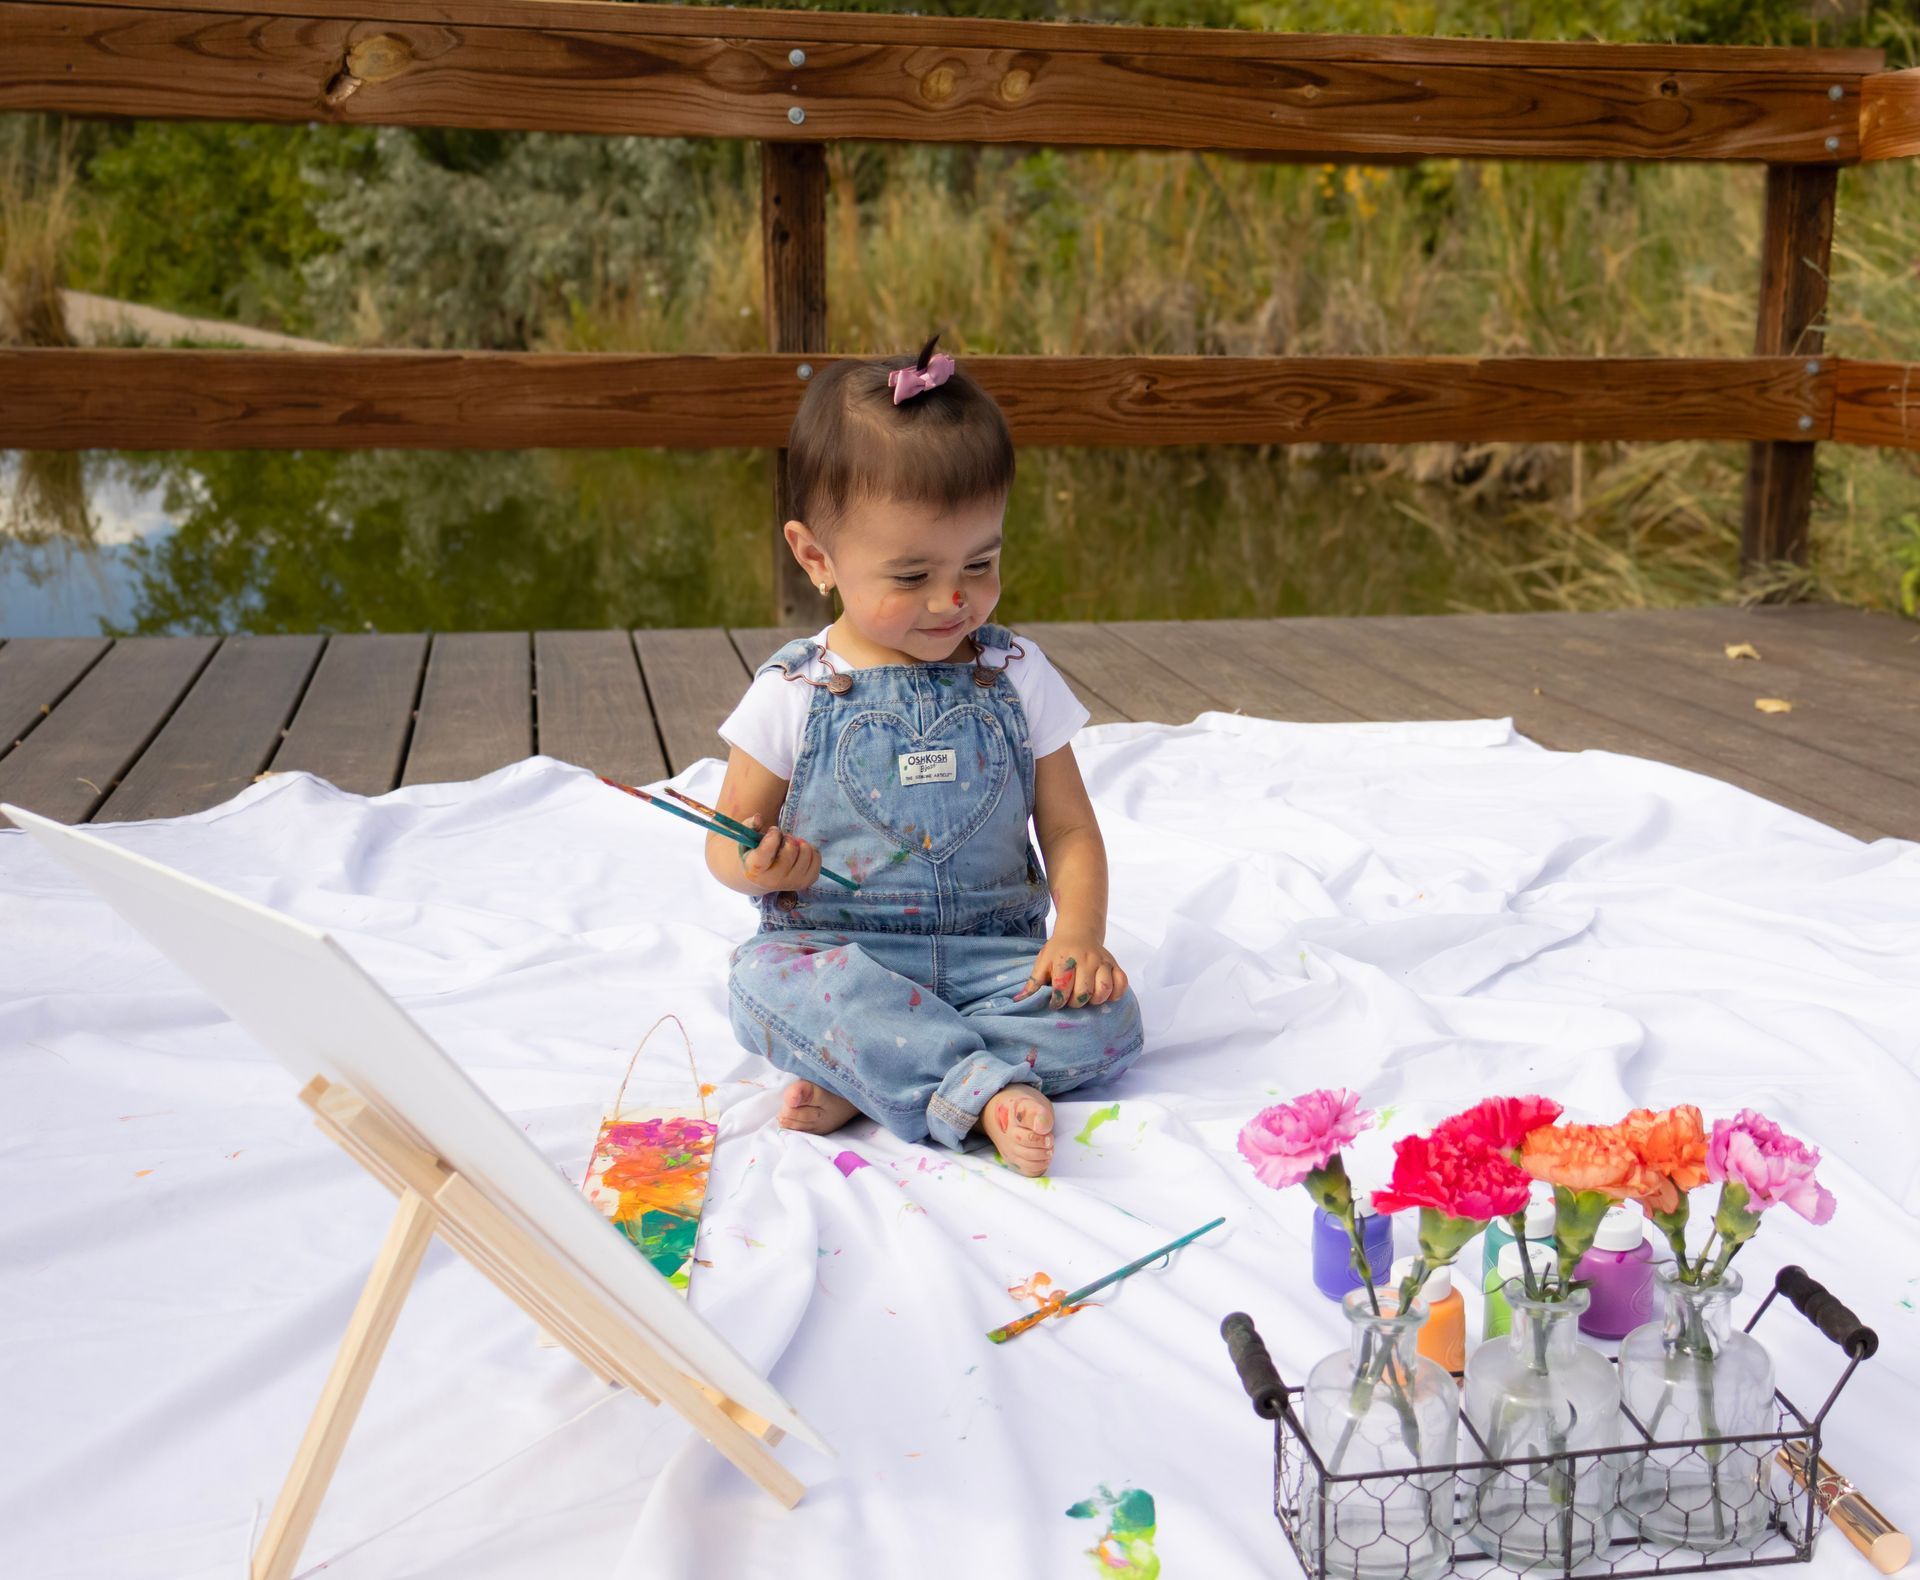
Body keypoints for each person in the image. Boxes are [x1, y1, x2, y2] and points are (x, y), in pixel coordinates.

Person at [707, 333, 1144, 1177]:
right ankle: (978, 1084)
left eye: (980, 563)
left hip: (995, 958)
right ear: (816, 558)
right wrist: (761, 865)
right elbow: (726, 837)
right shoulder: (795, 690)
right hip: (841, 955)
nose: (954, 600)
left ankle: (874, 1074)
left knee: (1110, 1021)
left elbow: (1071, 831)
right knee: (761, 988)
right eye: (910, 577)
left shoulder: (1012, 671)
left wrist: (1080, 938)